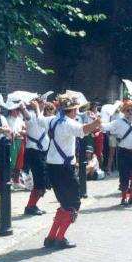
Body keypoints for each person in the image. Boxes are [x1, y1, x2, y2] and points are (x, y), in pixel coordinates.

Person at [38, 94, 101, 250]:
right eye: (76, 109)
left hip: (52, 166)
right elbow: (84, 130)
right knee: (74, 204)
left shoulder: (51, 120)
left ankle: (51, 238)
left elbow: (39, 120)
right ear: (71, 110)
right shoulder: (68, 123)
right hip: (64, 169)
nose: (77, 112)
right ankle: (59, 239)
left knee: (64, 203)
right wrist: (98, 121)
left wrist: (37, 108)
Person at [20, 97, 50, 216]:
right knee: (40, 181)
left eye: (44, 101)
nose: (43, 103)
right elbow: (26, 116)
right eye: (40, 102)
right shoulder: (31, 114)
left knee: (42, 181)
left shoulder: (42, 116)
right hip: (34, 152)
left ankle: (32, 205)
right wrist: (22, 107)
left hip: (42, 152)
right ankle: (30, 206)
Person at [7, 107, 26, 189]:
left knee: (19, 162)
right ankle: (9, 181)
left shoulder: (20, 119)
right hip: (12, 142)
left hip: (20, 141)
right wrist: (16, 134)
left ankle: (16, 181)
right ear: (11, 110)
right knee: (12, 162)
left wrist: (23, 132)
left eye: (18, 110)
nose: (18, 112)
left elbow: (24, 129)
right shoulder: (7, 119)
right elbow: (8, 132)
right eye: (16, 110)